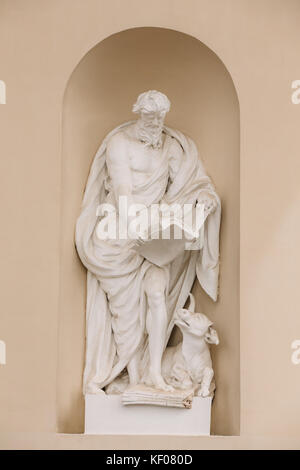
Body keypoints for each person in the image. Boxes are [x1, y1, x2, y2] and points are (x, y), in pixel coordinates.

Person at [76, 90, 221, 394]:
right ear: (138, 113)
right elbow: (123, 191)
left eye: (159, 119)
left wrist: (204, 199)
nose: (155, 124)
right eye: (149, 118)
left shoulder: (171, 145)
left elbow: (189, 184)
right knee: (125, 314)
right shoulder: (120, 143)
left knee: (157, 297)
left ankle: (154, 374)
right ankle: (129, 373)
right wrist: (133, 227)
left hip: (155, 232)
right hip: (120, 233)